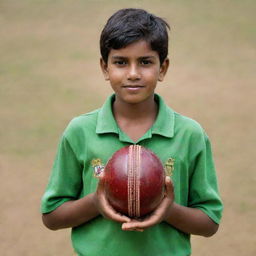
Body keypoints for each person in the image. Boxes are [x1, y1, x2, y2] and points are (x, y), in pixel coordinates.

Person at [41, 8, 223, 256]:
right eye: (121, 62)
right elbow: (52, 216)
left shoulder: (189, 134)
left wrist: (166, 209)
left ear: (163, 68)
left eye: (146, 62)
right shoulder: (81, 131)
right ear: (105, 68)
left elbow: (209, 222)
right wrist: (96, 202)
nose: (133, 73)